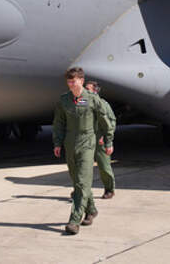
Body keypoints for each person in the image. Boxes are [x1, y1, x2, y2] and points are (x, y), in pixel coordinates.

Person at [53, 67, 114, 235]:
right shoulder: (64, 100)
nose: (71, 84)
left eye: (74, 81)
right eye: (69, 81)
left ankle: (74, 220)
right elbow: (59, 123)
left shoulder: (92, 99)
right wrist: (57, 142)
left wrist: (108, 141)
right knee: (77, 180)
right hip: (70, 143)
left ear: (81, 80)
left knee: (82, 181)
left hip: (87, 143)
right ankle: (91, 209)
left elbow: (105, 121)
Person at [85, 80, 116, 199]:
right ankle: (81, 191)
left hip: (99, 140)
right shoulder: (82, 102)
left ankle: (109, 189)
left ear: (95, 91)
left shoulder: (103, 104)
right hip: (86, 140)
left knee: (104, 167)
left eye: (87, 89)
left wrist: (107, 139)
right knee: (82, 167)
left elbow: (111, 122)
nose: (85, 91)